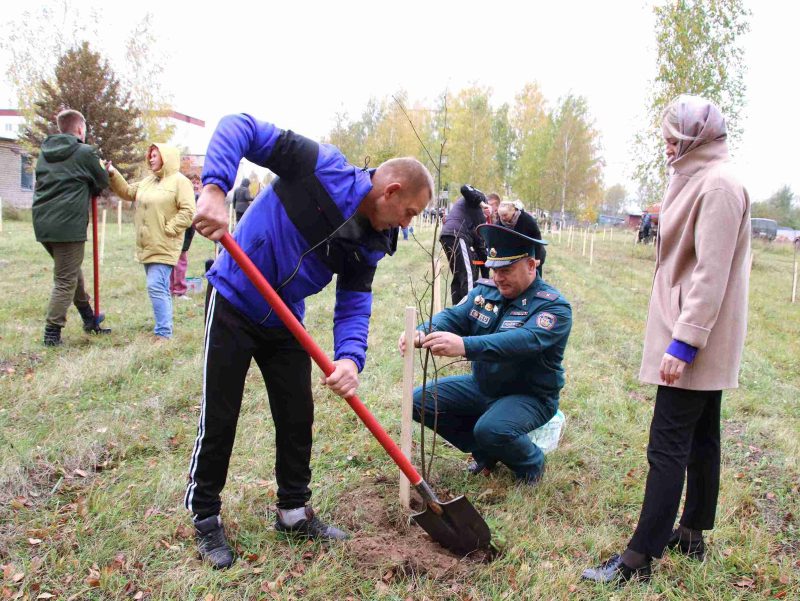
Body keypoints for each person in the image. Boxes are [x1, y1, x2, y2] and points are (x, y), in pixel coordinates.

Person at [185, 113, 433, 569]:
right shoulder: (319, 166)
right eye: (410, 213)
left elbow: (354, 303)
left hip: (285, 319)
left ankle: (294, 512)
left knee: (297, 414)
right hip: (235, 297)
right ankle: (205, 517)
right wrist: (215, 190)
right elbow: (238, 126)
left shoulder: (371, 241)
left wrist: (350, 359)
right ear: (391, 191)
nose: (406, 224)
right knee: (221, 414)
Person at [582, 95, 751, 585]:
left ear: (696, 136)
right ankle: (692, 534)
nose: (667, 148)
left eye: (673, 139)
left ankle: (638, 559)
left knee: (668, 444)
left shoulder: (718, 185)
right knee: (701, 437)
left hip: (695, 337)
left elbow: (711, 273)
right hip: (695, 332)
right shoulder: (698, 176)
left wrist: (685, 342)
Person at [399, 224, 572, 484]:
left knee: (491, 429)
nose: (498, 278)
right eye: (494, 269)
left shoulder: (553, 307)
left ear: (531, 266)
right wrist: (422, 331)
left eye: (506, 270)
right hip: (484, 385)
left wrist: (464, 346)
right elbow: (453, 316)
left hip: (531, 395)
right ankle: (486, 453)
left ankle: (531, 463)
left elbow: (522, 341)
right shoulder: (485, 293)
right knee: (420, 401)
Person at [31, 109, 110, 346]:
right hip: (68, 224)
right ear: (80, 129)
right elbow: (102, 181)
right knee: (65, 279)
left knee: (72, 271)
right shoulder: (85, 152)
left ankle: (89, 318)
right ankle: (52, 333)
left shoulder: (45, 152)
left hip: (43, 223)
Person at [107, 144, 196, 340]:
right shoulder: (148, 181)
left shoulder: (180, 182)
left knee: (155, 285)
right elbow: (127, 191)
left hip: (165, 243)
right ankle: (164, 328)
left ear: (166, 157)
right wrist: (112, 173)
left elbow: (188, 211)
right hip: (147, 244)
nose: (151, 159)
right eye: (150, 156)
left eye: (155, 155)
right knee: (160, 287)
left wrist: (169, 229)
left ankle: (163, 333)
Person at [439, 184, 487, 304]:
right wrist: (482, 203)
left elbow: (479, 245)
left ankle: (457, 308)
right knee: (468, 275)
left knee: (458, 276)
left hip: (447, 235)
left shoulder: (470, 210)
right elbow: (464, 188)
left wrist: (486, 273)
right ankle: (470, 307)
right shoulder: (477, 199)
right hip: (457, 234)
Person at [496, 201, 546, 275]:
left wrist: (537, 257)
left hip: (533, 252)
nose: (503, 218)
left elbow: (537, 237)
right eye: (501, 216)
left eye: (505, 215)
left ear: (513, 211)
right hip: (516, 255)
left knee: (533, 275)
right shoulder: (499, 223)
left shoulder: (526, 219)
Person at [170, 175, 200, 298]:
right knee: (180, 262)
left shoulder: (196, 197)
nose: (196, 185)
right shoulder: (184, 197)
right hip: (181, 232)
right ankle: (179, 291)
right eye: (193, 183)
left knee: (175, 261)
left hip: (186, 232)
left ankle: (171, 289)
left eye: (198, 183)